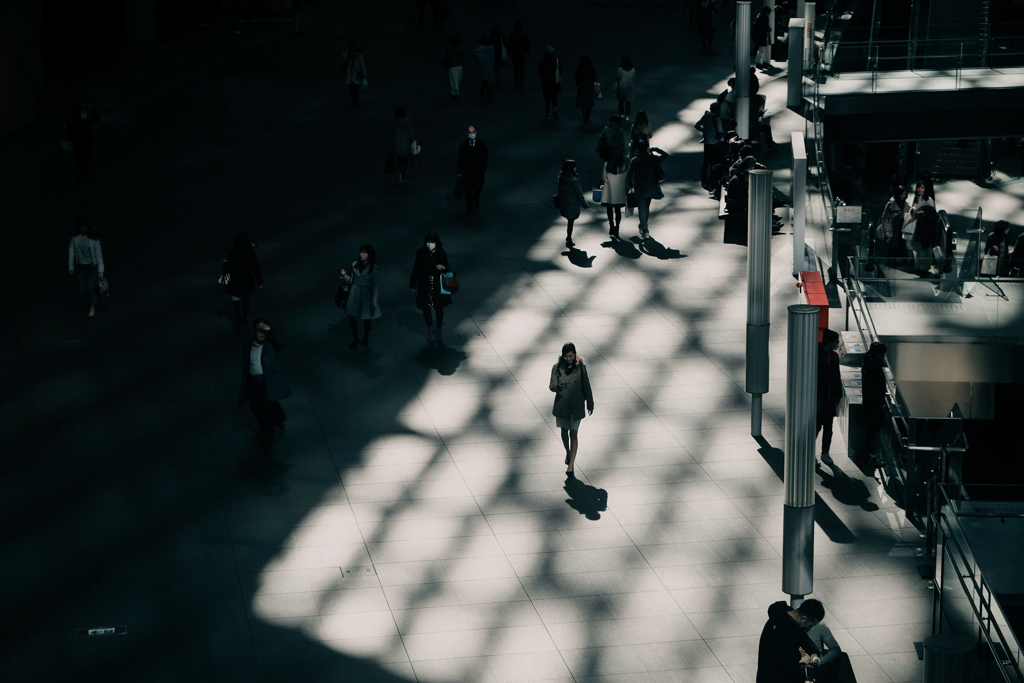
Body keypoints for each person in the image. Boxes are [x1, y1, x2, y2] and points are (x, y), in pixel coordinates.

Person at [238, 319, 291, 448]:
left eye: (264, 331)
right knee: (256, 406)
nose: (262, 334)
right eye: (259, 331)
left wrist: (270, 330)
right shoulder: (248, 345)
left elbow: (281, 343)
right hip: (253, 380)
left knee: (264, 406)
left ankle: (268, 430)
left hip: (265, 380)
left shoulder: (269, 345)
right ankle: (277, 420)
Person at [549, 343, 594, 477]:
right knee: (564, 431)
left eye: (571, 356)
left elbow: (586, 384)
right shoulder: (556, 368)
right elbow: (551, 385)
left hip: (576, 405)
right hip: (563, 405)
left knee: (573, 433)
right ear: (562, 356)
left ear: (575, 355)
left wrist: (590, 403)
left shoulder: (581, 367)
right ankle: (568, 452)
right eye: (566, 356)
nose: (568, 358)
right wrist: (558, 387)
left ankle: (571, 464)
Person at [756, 599, 824, 683]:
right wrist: (804, 679)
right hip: (775, 678)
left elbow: (801, 636)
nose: (808, 629)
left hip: (767, 676)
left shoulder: (786, 616)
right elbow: (789, 664)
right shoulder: (785, 631)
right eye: (809, 625)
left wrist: (813, 652)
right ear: (803, 618)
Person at [410, 232, 452, 343]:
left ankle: (438, 330)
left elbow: (447, 266)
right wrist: (413, 283)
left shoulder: (441, 253)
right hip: (425, 283)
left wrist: (443, 267)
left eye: (432, 242)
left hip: (438, 283)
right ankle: (430, 328)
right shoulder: (421, 253)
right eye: (428, 242)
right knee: (426, 307)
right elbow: (416, 268)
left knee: (439, 307)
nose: (430, 244)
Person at [340, 244, 381, 349]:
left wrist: (374, 299)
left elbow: (375, 285)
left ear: (369, 254)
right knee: (352, 316)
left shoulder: (373, 269)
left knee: (366, 318)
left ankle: (365, 337)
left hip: (365, 294)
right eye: (361, 252)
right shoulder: (355, 264)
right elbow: (352, 281)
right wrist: (344, 276)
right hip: (355, 292)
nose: (361, 254)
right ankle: (356, 338)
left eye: (364, 252)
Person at [626, 138, 668, 242]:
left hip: (639, 187)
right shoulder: (652, 158)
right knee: (646, 207)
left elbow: (629, 176)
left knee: (641, 209)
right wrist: (656, 150)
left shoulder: (635, 160)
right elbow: (666, 155)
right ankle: (644, 227)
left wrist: (630, 185)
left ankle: (645, 229)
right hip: (651, 187)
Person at [223, 231, 264, 330]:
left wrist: (225, 264)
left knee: (235, 301)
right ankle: (245, 319)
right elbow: (255, 267)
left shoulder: (232, 252)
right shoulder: (250, 253)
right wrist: (259, 281)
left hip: (235, 280)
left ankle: (238, 319)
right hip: (247, 280)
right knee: (246, 300)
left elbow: (230, 268)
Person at [68, 217, 105, 318]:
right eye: (82, 228)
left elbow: (99, 254)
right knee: (82, 288)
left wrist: (101, 271)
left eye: (85, 228)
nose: (83, 230)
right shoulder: (75, 238)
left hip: (92, 265)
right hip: (81, 266)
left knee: (90, 285)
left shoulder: (94, 238)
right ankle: (90, 300)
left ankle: (92, 306)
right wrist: (71, 266)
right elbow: (71, 251)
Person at [816, 329, 843, 467]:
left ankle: (825, 452)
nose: (838, 344)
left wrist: (838, 394)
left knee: (828, 427)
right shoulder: (817, 355)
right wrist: (816, 399)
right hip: (820, 399)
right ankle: (811, 453)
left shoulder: (834, 356)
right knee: (815, 427)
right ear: (830, 342)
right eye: (836, 341)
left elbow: (837, 376)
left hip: (830, 398)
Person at [860, 341, 888, 464]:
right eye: (882, 354)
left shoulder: (868, 362)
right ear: (878, 354)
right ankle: (871, 457)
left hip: (869, 402)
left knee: (870, 430)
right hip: (875, 404)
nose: (883, 356)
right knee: (874, 430)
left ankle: (869, 455)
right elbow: (877, 387)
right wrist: (881, 403)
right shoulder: (874, 367)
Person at [556, 160, 589, 249]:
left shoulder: (561, 177)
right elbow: (579, 193)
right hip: (572, 203)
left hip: (564, 203)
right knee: (571, 222)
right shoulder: (573, 179)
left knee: (570, 221)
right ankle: (569, 238)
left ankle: (568, 237)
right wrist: (585, 204)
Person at [694, 101, 726, 191]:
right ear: (716, 109)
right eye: (719, 109)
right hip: (715, 143)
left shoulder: (706, 116)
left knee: (706, 163)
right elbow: (720, 132)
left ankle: (704, 180)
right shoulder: (717, 119)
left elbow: (696, 125)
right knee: (714, 163)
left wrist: (704, 131)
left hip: (707, 143)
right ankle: (712, 182)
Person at [456, 125, 488, 212]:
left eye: (473, 132)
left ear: (476, 133)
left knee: (478, 188)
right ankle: (469, 207)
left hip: (478, 172)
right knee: (468, 191)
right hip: (467, 172)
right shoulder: (463, 145)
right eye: (470, 133)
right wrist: (459, 171)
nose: (472, 134)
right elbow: (460, 158)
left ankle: (476, 199)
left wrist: (483, 167)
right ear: (466, 134)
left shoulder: (481, 144)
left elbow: (485, 156)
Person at [65, 104, 99, 185]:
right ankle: (84, 178)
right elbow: (96, 118)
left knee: (79, 162)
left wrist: (67, 146)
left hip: (77, 144)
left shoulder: (71, 121)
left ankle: (79, 179)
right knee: (86, 161)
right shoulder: (83, 120)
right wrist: (90, 109)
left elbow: (67, 135)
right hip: (86, 143)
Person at [601, 150, 629, 239]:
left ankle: (611, 225)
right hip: (619, 191)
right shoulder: (623, 165)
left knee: (609, 209)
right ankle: (617, 227)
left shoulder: (607, 164)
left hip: (609, 191)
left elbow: (603, 177)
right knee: (618, 211)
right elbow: (626, 177)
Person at [388, 106, 416, 183]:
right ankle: (401, 173)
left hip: (396, 146)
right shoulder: (407, 123)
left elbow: (391, 136)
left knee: (399, 160)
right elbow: (411, 135)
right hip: (405, 145)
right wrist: (414, 143)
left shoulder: (393, 124)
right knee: (406, 161)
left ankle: (401, 174)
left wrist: (390, 146)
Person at [537, 46, 562, 120]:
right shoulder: (556, 61)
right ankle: (554, 109)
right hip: (554, 83)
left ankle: (547, 113)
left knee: (547, 99)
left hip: (546, 84)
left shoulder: (543, 62)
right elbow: (561, 70)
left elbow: (539, 73)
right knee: (554, 97)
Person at [342, 43, 367, 108]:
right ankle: (354, 101)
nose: (352, 49)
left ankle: (355, 101)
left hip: (356, 74)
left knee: (356, 89)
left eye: (353, 47)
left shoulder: (359, 55)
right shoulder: (349, 54)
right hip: (350, 74)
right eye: (351, 47)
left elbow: (362, 65)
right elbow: (343, 56)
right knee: (351, 89)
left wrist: (364, 74)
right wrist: (348, 50)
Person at [507, 20, 530, 88]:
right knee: (521, 66)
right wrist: (527, 52)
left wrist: (509, 52)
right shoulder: (523, 35)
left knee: (516, 67)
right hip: (521, 52)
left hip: (515, 53)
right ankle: (520, 79)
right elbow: (527, 44)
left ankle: (517, 80)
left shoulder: (512, 35)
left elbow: (509, 44)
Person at [575, 55, 597, 124]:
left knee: (582, 102)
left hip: (582, 86)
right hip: (589, 86)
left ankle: (584, 116)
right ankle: (587, 117)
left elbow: (577, 77)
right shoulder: (591, 67)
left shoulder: (579, 68)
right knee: (589, 103)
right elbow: (594, 78)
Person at [473, 34, 496, 99]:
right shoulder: (492, 46)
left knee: (484, 77)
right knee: (485, 77)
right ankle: (482, 89)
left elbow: (475, 52)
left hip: (483, 65)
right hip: (490, 63)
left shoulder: (481, 48)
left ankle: (489, 91)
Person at [443, 36, 465, 102]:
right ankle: (455, 93)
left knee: (453, 81)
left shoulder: (449, 49)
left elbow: (447, 58)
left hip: (452, 65)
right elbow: (464, 55)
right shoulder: (461, 48)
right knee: (457, 80)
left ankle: (455, 93)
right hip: (459, 65)